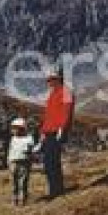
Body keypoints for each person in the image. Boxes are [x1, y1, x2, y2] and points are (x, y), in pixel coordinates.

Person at [38, 65, 75, 199]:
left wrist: (62, 128)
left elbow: (66, 112)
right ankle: (54, 189)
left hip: (56, 132)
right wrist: (42, 131)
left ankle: (56, 190)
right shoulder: (53, 94)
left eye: (50, 79)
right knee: (48, 163)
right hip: (49, 131)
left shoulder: (65, 92)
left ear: (57, 79)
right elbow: (48, 115)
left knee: (53, 162)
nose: (48, 82)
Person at [6, 117, 37, 206]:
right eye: (13, 128)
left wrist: (31, 153)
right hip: (13, 162)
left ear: (22, 128)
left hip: (24, 162)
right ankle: (14, 200)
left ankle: (23, 200)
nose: (13, 130)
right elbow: (10, 150)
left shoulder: (29, 138)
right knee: (13, 182)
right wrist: (8, 160)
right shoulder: (13, 138)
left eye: (16, 128)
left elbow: (32, 149)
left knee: (23, 182)